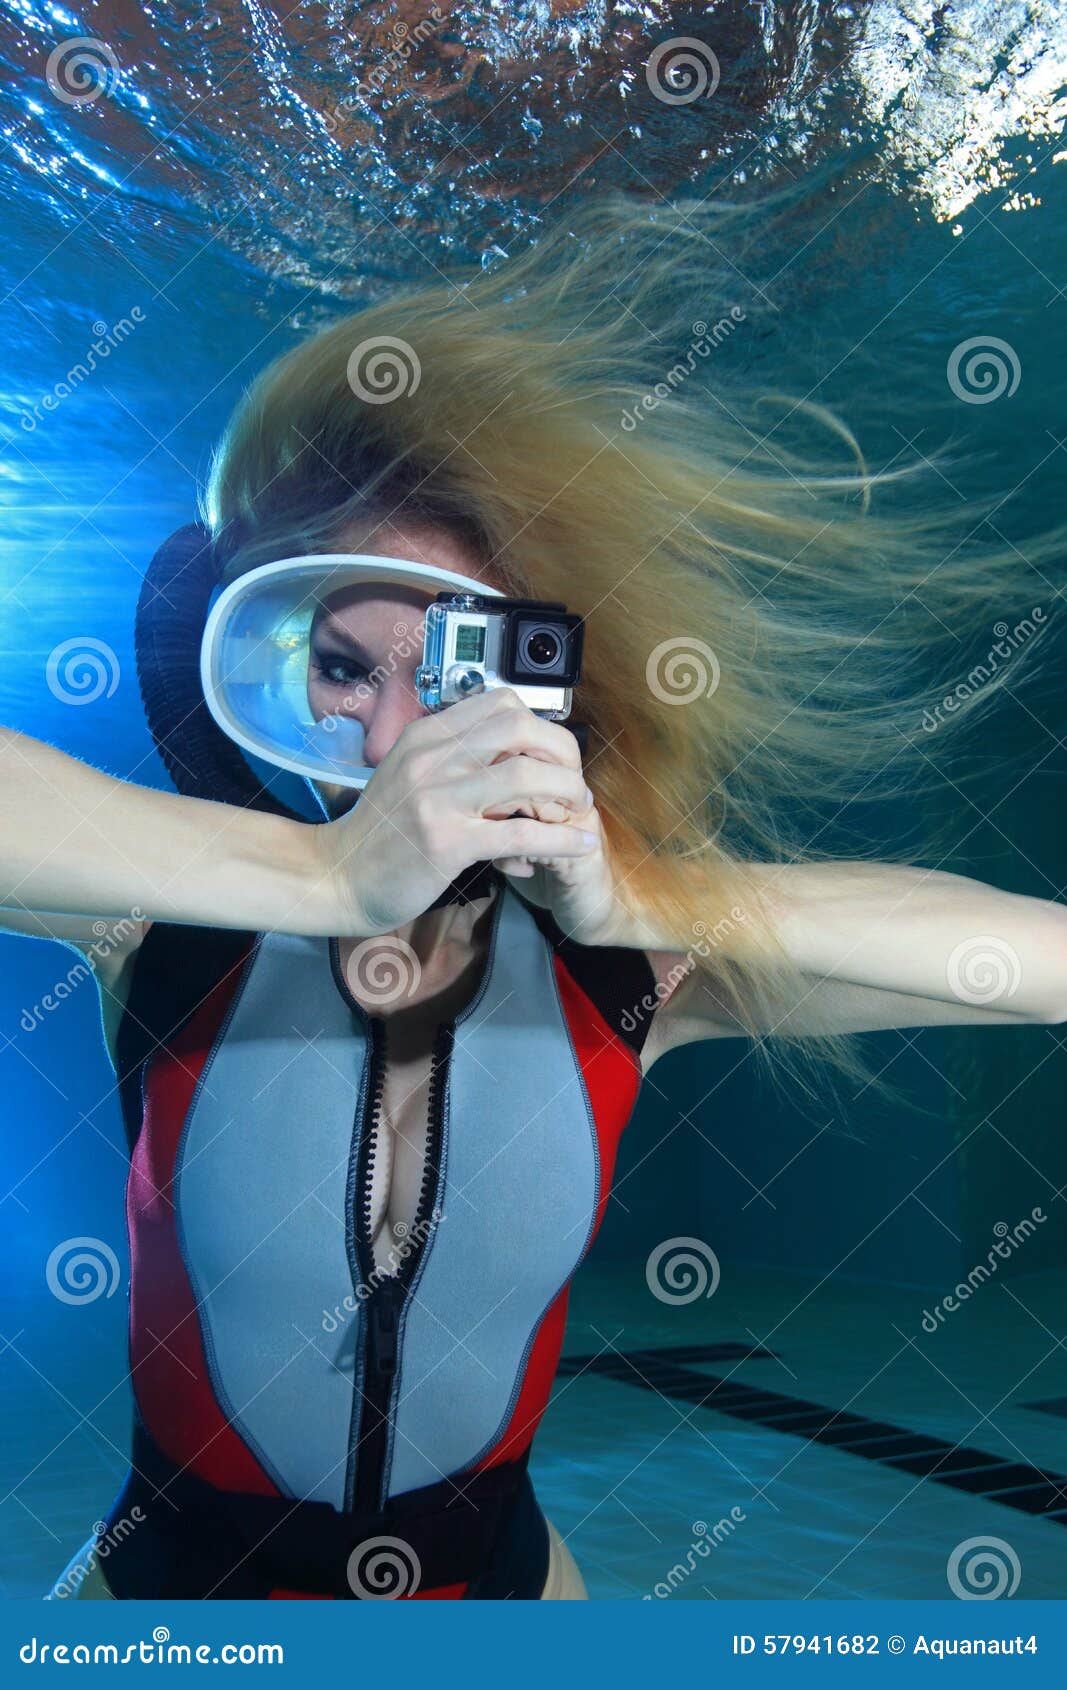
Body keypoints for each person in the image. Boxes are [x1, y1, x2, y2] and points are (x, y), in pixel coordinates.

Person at [9, 187, 1065, 1599]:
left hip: (507, 1586)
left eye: (456, 675)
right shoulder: (162, 918)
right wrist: (320, 873)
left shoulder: (630, 975)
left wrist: (642, 904)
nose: (394, 747)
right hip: (163, 1591)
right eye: (344, 668)